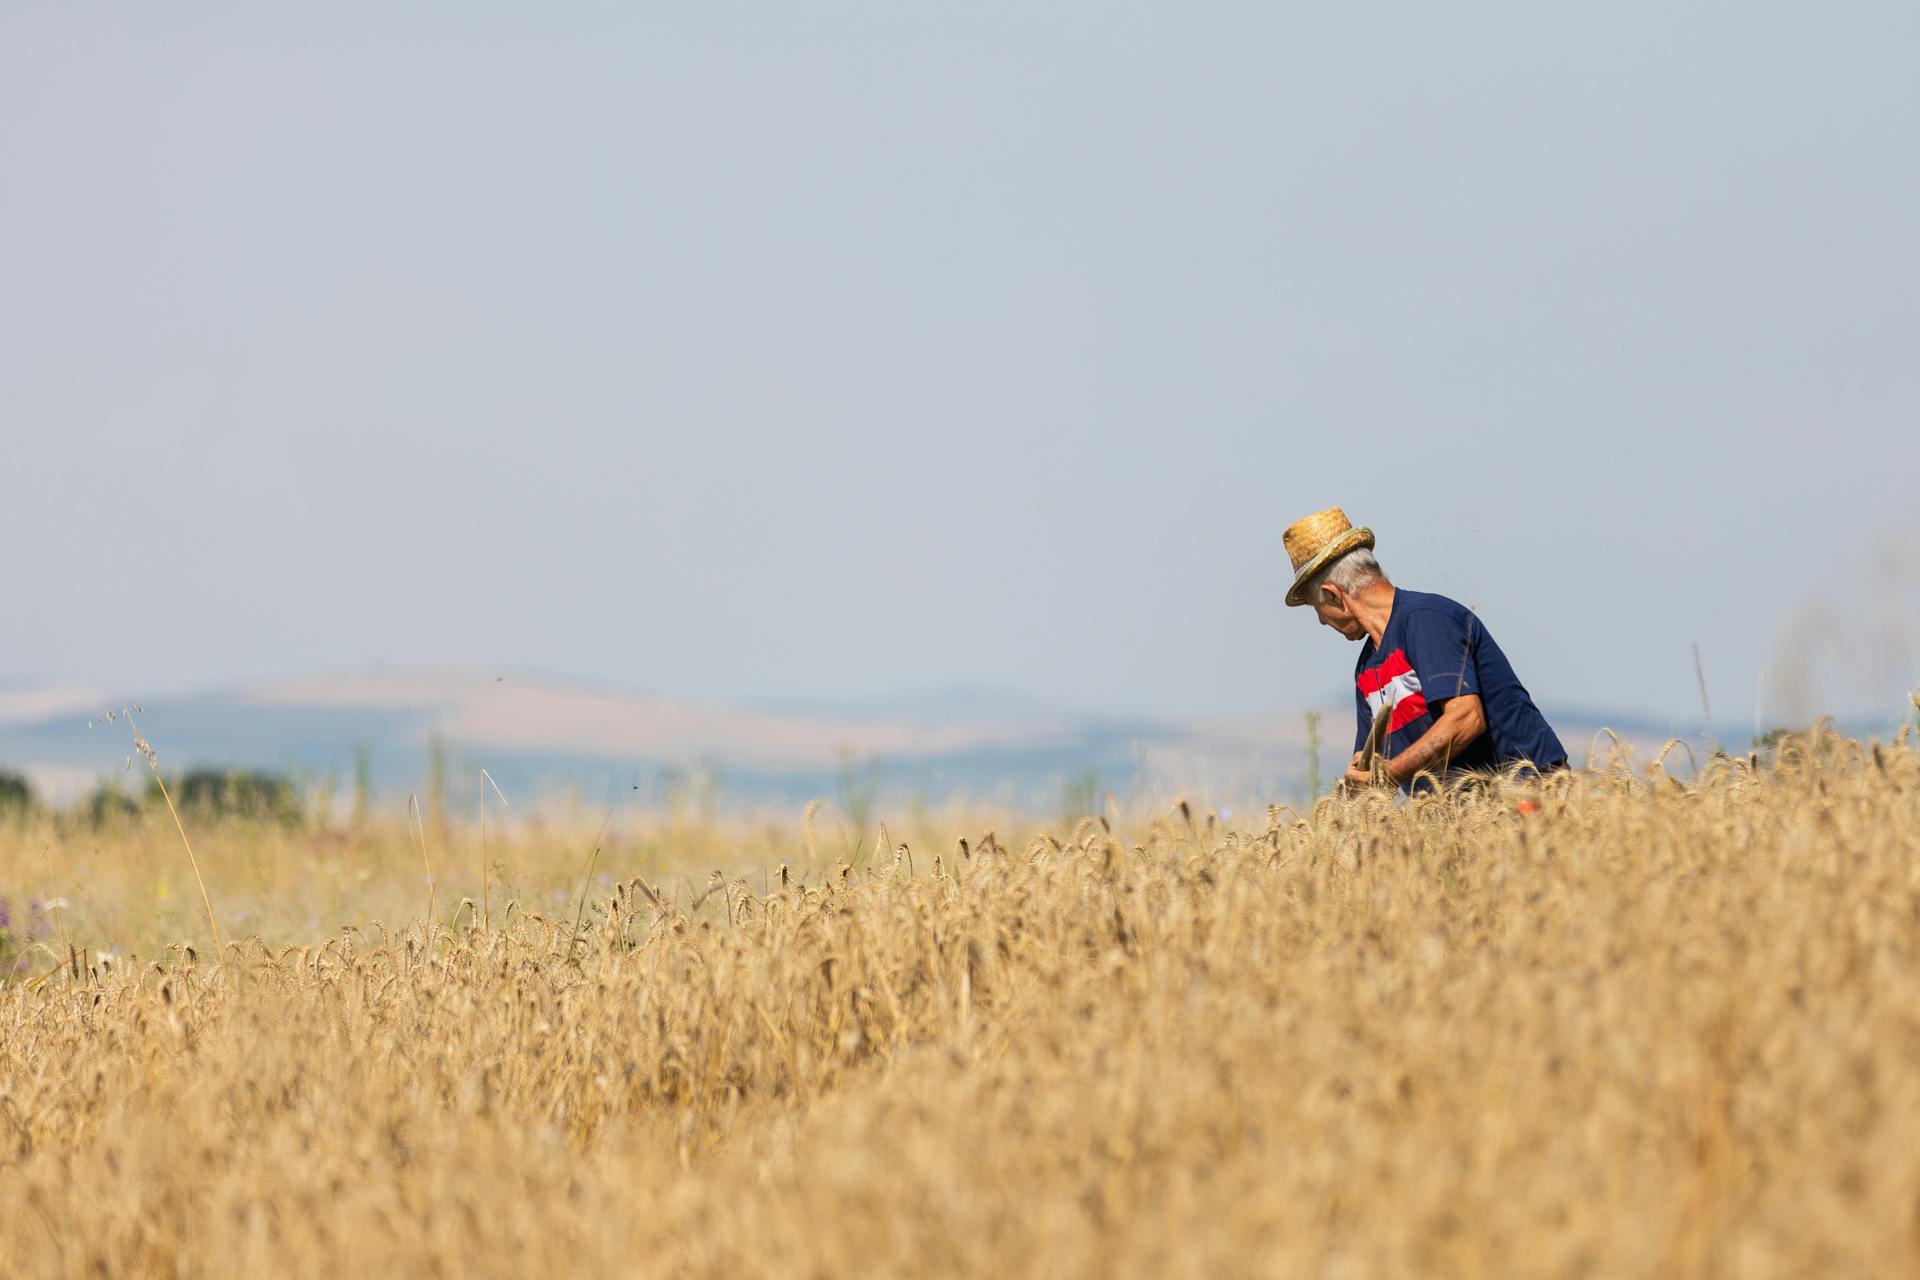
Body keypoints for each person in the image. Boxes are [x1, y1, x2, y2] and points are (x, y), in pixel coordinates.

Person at [1283, 507, 1568, 794]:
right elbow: (1372, 774)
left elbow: (1466, 719)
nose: (1321, 621)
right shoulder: (1367, 671)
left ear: (1333, 595)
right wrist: (1360, 787)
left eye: (1315, 607)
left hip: (1528, 798)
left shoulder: (1428, 621)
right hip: (1458, 816)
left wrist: (1388, 775)